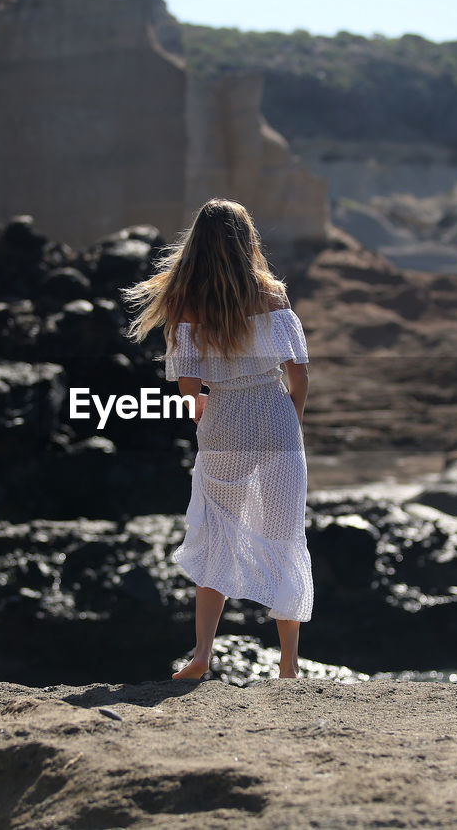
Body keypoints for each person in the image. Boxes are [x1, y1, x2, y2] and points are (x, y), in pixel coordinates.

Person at [125, 198, 313, 680]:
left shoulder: (187, 304)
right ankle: (288, 666)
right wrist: (290, 418)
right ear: (247, 240)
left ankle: (202, 657)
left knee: (216, 537)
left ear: (197, 246)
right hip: (275, 419)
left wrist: (204, 411)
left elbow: (188, 386)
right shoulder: (272, 295)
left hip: (224, 420)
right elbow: (299, 374)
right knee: (284, 535)